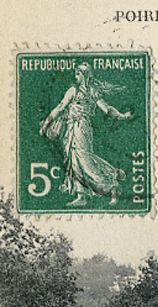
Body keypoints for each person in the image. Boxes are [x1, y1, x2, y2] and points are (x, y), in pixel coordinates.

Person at [39, 63, 132, 206]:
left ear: (85, 75)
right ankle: (81, 196)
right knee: (74, 161)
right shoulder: (72, 90)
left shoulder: (92, 91)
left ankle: (112, 186)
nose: (76, 77)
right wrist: (46, 123)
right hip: (70, 129)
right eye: (75, 74)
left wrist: (121, 116)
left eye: (78, 74)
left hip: (82, 127)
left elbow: (106, 108)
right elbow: (60, 107)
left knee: (85, 160)